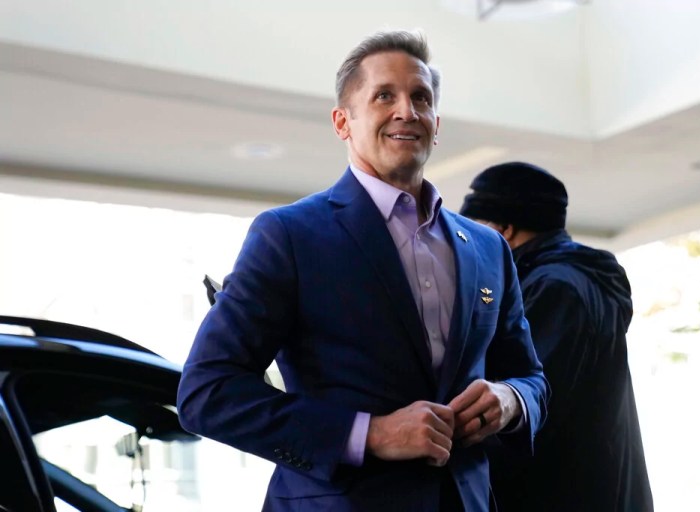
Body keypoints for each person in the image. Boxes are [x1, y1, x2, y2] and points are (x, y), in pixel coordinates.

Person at [177, 31, 548, 512]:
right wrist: (369, 434)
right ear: (342, 122)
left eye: (421, 98)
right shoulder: (289, 235)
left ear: (436, 124)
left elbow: (530, 377)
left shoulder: (487, 247)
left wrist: (511, 401)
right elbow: (208, 393)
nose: (406, 111)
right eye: (384, 96)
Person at [460, 161, 653, 511]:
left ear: (503, 229)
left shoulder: (554, 288)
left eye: (474, 230)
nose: (466, 246)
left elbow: (531, 406)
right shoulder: (576, 280)